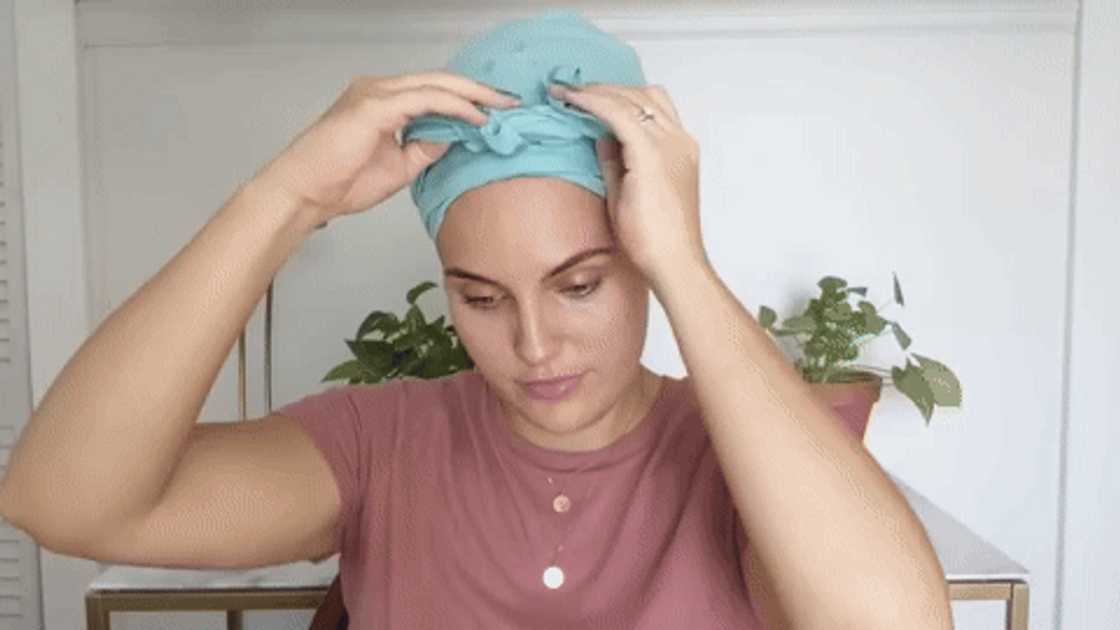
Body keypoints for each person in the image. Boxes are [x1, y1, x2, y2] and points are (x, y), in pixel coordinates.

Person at [0, 10, 953, 630]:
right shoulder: (383, 446)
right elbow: (65, 502)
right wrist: (283, 197)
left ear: (642, 253)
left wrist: (687, 267)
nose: (533, 347)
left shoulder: (749, 455)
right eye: (481, 297)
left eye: (580, 283)